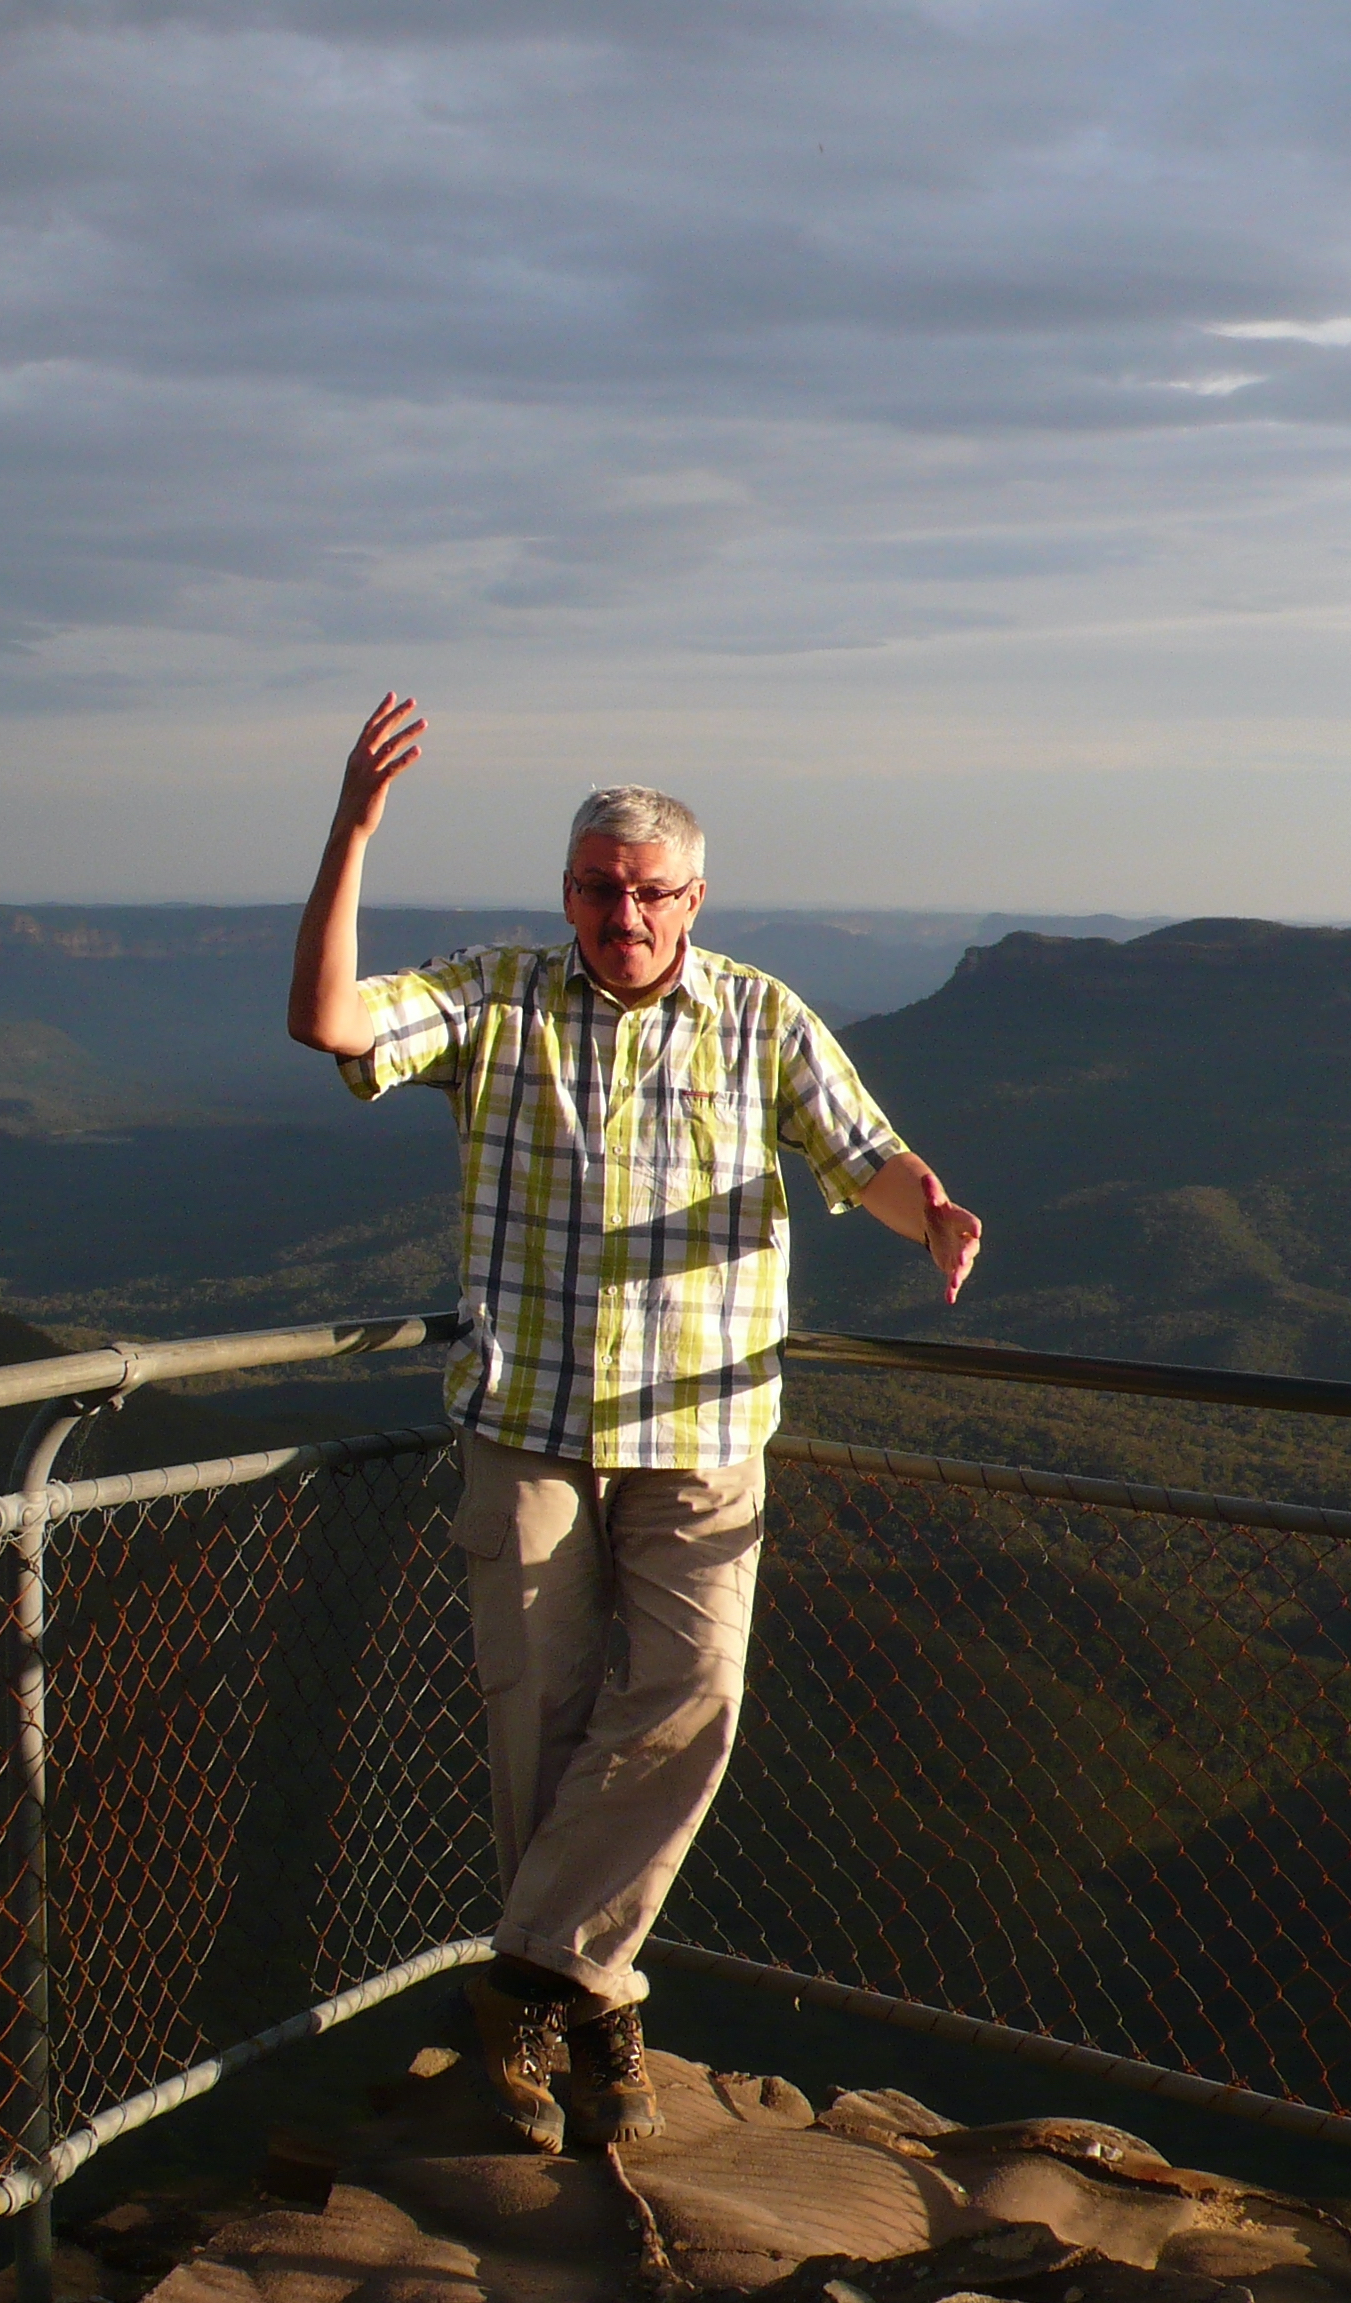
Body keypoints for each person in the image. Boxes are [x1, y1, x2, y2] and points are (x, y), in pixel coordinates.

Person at [289, 693, 982, 2154]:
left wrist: (932, 1214)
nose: (627, 914)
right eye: (602, 889)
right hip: (529, 1423)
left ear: (696, 900)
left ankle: (526, 1977)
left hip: (705, 1430)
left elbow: (862, 1152)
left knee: (692, 1698)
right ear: (569, 893)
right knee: (537, 1727)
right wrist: (352, 829)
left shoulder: (760, 1014)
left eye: (653, 892)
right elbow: (330, 1023)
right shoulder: (499, 997)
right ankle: (589, 2014)